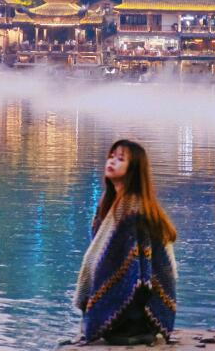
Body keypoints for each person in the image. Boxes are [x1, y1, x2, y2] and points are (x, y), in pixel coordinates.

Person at [73, 140, 177, 346]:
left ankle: (128, 323)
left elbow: (136, 270)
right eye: (111, 157)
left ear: (134, 170)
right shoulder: (109, 203)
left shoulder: (132, 209)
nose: (112, 162)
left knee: (129, 275)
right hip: (129, 310)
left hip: (136, 312)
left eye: (120, 159)